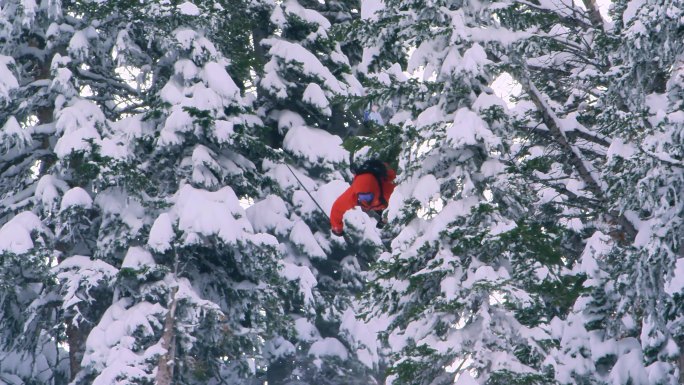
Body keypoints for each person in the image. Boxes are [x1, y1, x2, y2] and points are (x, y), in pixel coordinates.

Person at [330, 160, 396, 236]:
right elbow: (337, 208)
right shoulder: (354, 192)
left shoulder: (388, 190)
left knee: (381, 206)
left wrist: (384, 220)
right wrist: (337, 228)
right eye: (361, 197)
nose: (365, 200)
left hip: (382, 200)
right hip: (378, 201)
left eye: (367, 197)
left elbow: (398, 204)